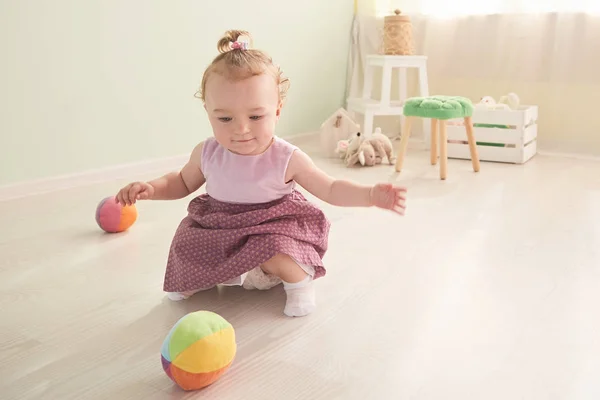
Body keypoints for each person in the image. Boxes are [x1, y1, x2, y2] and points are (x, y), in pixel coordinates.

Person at [115, 30, 407, 317]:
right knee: (185, 241)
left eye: (256, 116)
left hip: (270, 225)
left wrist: (369, 195)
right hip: (219, 227)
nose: (241, 128)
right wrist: (151, 188)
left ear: (277, 110)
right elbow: (180, 182)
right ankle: (196, 278)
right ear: (208, 112)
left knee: (278, 250)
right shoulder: (207, 152)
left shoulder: (285, 157)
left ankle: (299, 284)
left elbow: (329, 188)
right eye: (224, 118)